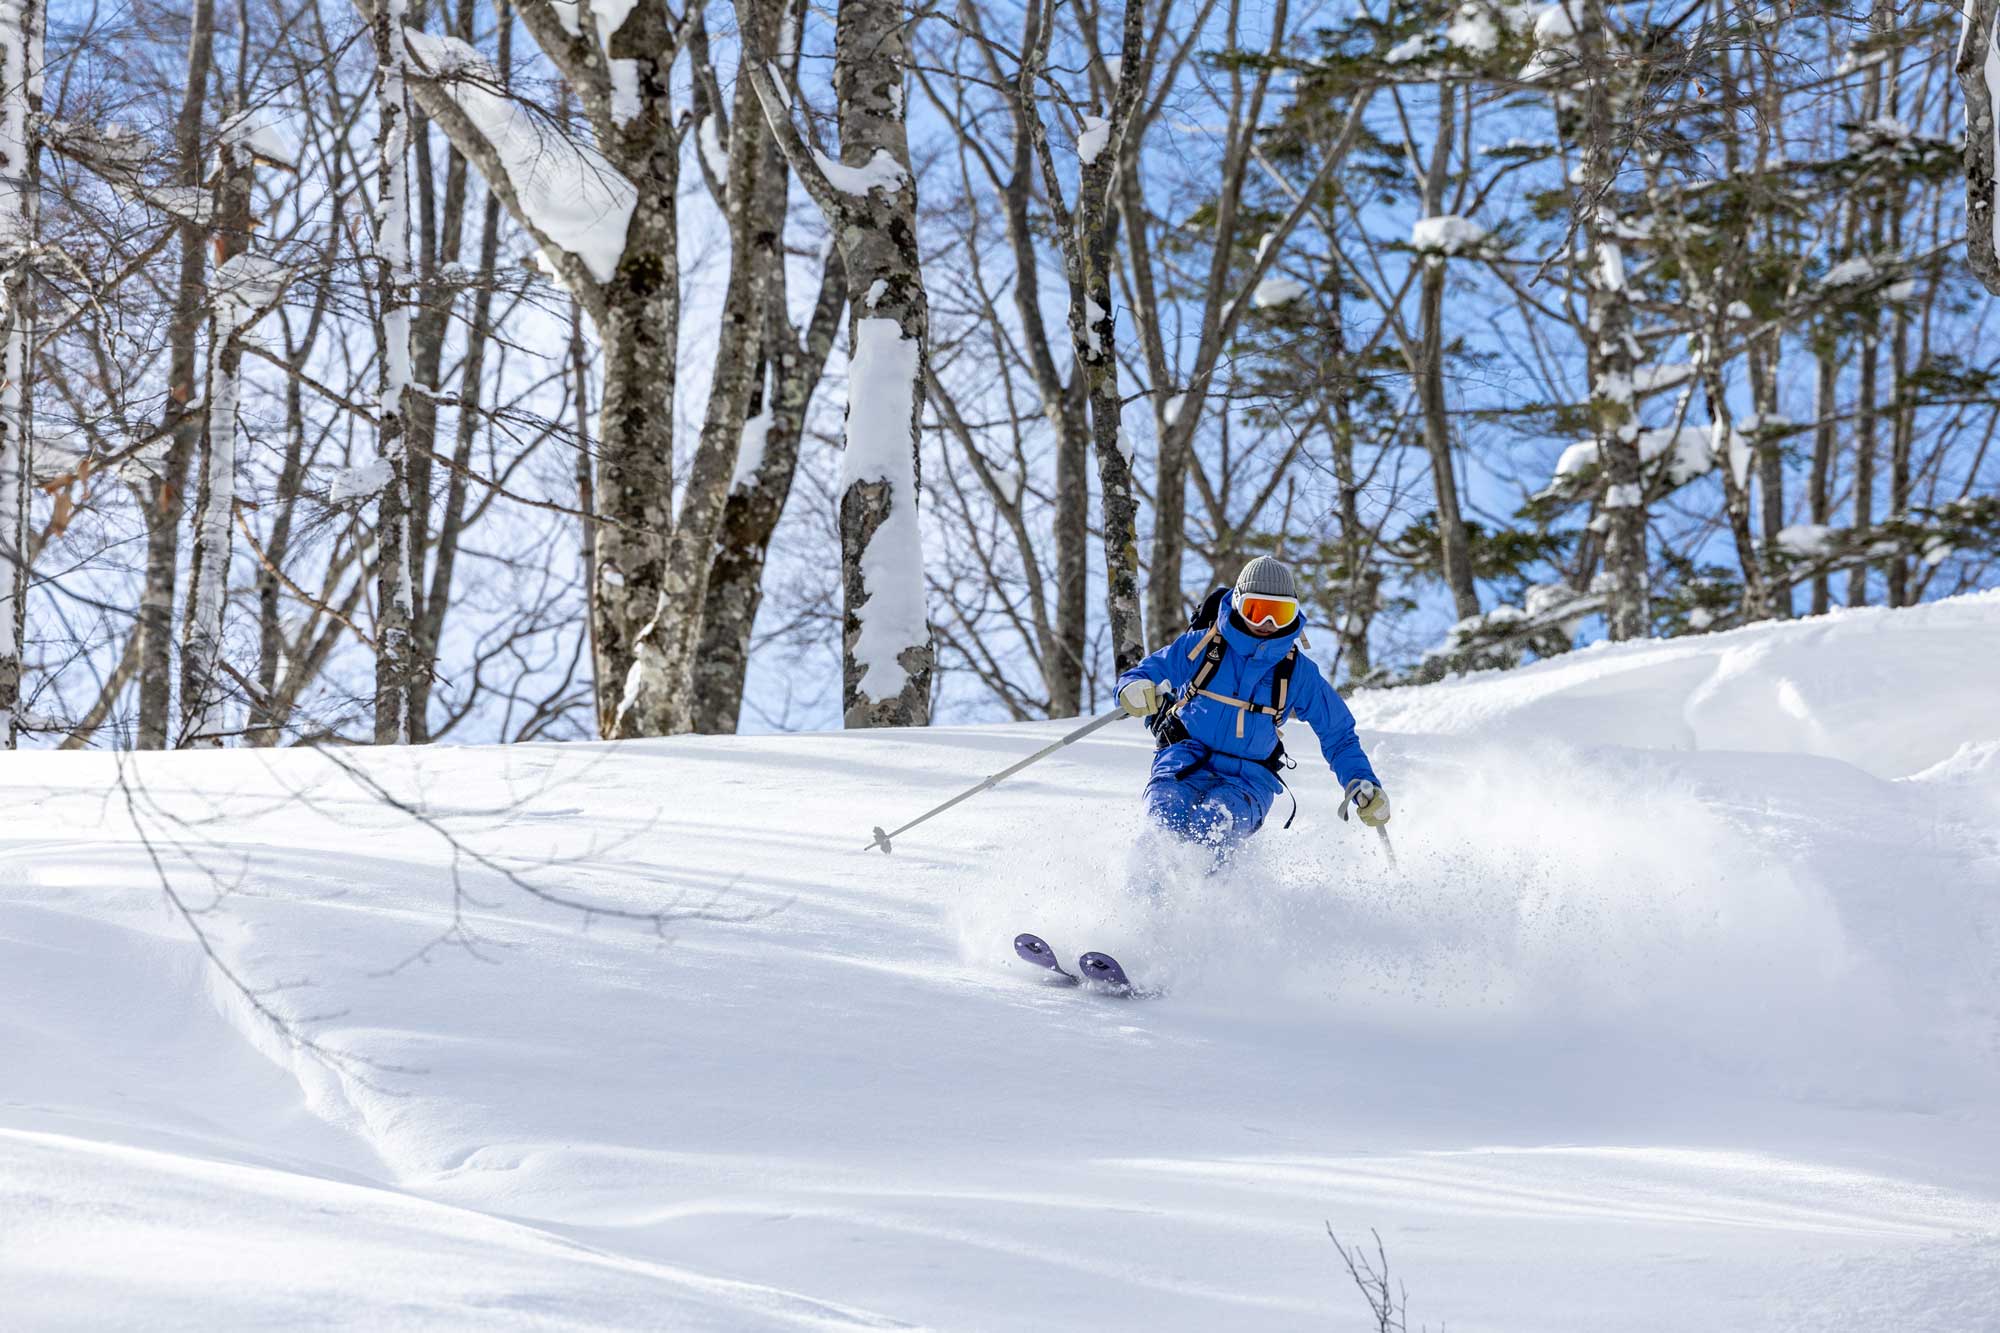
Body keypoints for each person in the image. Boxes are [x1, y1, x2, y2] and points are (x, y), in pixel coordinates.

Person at [1115, 555, 1388, 854]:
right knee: (1164, 820)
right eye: (1256, 610)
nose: (1267, 624)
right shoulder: (1202, 646)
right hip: (1184, 761)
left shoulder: (1297, 672)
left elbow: (1339, 735)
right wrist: (1132, 688)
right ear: (1238, 604)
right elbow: (1145, 672)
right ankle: (1143, 895)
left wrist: (1361, 781)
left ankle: (1213, 898)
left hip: (1248, 779)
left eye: (1279, 613)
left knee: (1214, 824)